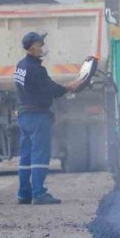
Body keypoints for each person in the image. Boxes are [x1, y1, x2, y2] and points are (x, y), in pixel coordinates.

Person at [13, 32, 81, 204]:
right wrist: (70, 87)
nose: (43, 46)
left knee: (26, 156)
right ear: (32, 47)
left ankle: (23, 193)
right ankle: (38, 193)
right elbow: (52, 90)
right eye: (40, 43)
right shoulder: (37, 69)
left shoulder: (20, 66)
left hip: (24, 116)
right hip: (37, 117)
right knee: (40, 155)